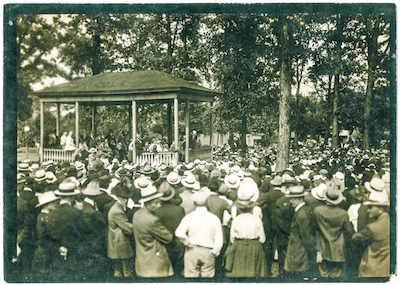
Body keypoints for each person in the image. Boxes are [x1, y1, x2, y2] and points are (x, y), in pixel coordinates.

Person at [175, 190, 223, 278]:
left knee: (191, 278)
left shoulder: (189, 217)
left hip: (192, 250)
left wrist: (187, 242)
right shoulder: (214, 218)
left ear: (194, 203)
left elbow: (179, 233)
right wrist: (215, 251)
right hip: (208, 250)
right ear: (207, 202)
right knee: (207, 278)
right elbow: (219, 238)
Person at [314, 181, 355, 278]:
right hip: (338, 249)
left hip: (322, 247)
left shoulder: (318, 211)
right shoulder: (342, 213)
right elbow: (349, 231)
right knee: (336, 275)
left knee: (323, 274)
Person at [132, 184, 174, 278]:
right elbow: (168, 238)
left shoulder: (137, 214)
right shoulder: (152, 220)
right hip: (155, 263)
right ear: (147, 203)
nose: (159, 206)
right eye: (155, 203)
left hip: (142, 260)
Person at [224, 190, 267, 278]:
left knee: (240, 270)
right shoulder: (256, 219)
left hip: (240, 246)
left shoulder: (236, 220)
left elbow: (232, 238)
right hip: (255, 246)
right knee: (255, 271)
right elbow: (262, 238)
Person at [352, 193, 390, 278]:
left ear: (380, 209)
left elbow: (355, 239)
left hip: (372, 269)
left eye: (371, 207)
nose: (368, 210)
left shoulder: (372, 228)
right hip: (386, 268)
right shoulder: (392, 223)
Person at [283, 185, 316, 279]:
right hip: (298, 249)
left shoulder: (302, 215)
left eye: (293, 199)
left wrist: (311, 251)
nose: (291, 201)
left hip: (299, 251)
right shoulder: (301, 210)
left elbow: (306, 237)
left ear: (301, 199)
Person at [107, 182, 134, 278]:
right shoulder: (117, 210)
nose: (126, 200)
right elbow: (128, 228)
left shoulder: (117, 207)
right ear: (119, 197)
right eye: (125, 198)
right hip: (120, 241)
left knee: (118, 270)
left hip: (116, 240)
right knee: (126, 271)